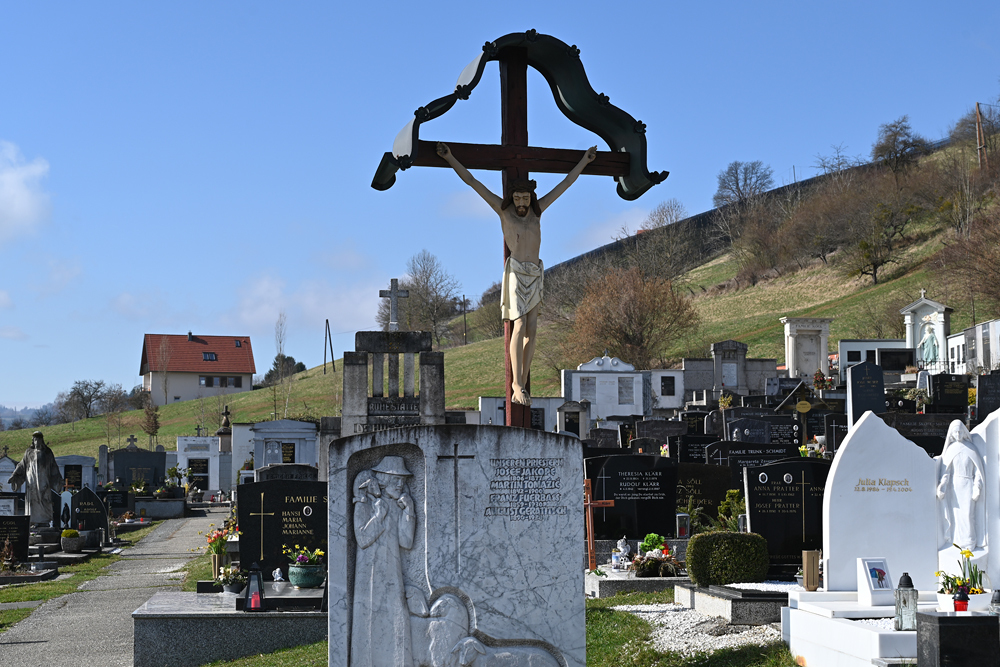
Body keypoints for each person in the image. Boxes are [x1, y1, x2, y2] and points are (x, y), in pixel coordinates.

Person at [437, 142, 597, 405]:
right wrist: (450, 157)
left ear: (531, 198)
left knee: (532, 330)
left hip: (534, 273)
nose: (522, 203)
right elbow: (472, 182)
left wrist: (585, 161)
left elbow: (566, 183)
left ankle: (522, 380)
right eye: (518, 198)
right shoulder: (504, 213)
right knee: (519, 325)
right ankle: (516, 384)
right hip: (516, 272)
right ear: (512, 198)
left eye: (526, 198)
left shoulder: (537, 213)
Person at [351, 457, 416, 667]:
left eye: (402, 480)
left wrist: (409, 511)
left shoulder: (397, 505)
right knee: (369, 621)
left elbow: (406, 542)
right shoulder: (365, 502)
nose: (400, 484)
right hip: (369, 573)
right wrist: (378, 516)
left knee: (396, 619)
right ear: (383, 480)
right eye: (396, 479)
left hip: (392, 572)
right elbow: (362, 539)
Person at [936, 421, 985, 551]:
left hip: (968, 484)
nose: (958, 435)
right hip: (954, 486)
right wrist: (942, 485)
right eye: (955, 432)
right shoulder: (951, 450)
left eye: (960, 432)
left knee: (968, 514)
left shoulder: (971, 448)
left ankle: (970, 541)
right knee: (956, 514)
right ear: (951, 434)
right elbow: (946, 472)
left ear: (964, 432)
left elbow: (978, 472)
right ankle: (957, 541)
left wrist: (977, 487)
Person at [7, 431, 64, 526]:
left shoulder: (47, 452)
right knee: (32, 500)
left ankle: (44, 521)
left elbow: (53, 466)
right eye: (35, 439)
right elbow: (22, 465)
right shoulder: (29, 452)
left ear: (42, 440)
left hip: (43, 479)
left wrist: (58, 479)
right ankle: (32, 521)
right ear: (33, 441)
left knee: (44, 498)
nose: (37, 441)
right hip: (31, 480)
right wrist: (14, 475)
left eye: (39, 439)